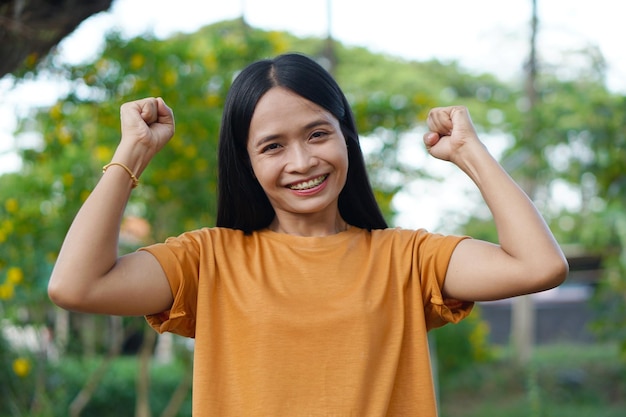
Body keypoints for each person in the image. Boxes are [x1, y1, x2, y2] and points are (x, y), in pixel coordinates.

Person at [48, 53, 568, 416]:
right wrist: (132, 153)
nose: (302, 162)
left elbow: (538, 265)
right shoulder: (208, 259)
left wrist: (468, 152)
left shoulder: (408, 257)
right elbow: (77, 286)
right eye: (272, 146)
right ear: (247, 163)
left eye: (318, 134)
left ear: (346, 136)